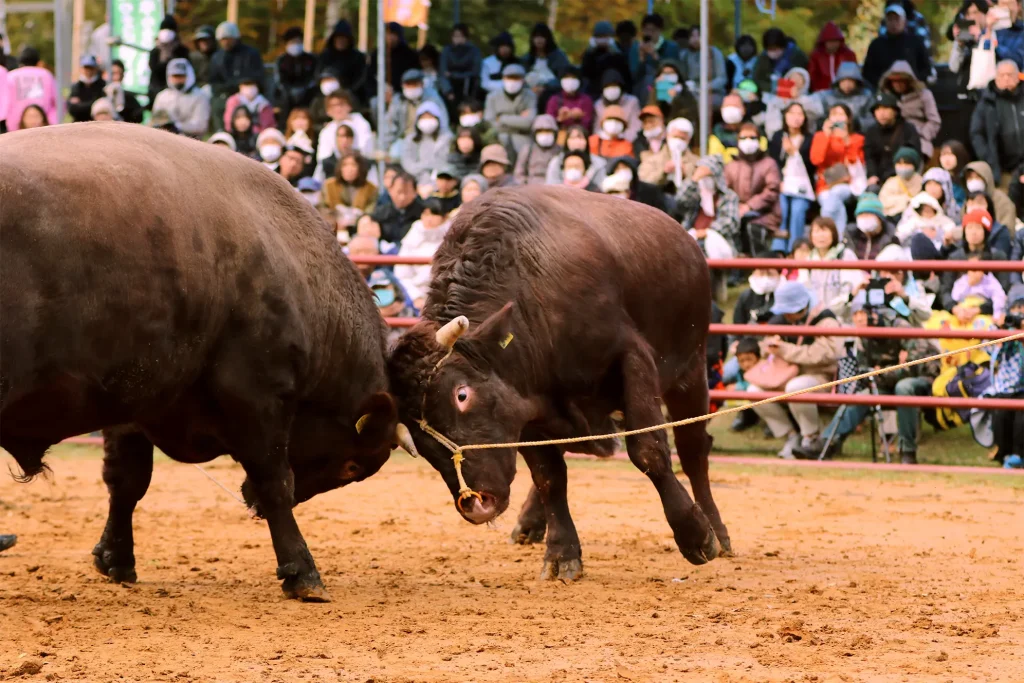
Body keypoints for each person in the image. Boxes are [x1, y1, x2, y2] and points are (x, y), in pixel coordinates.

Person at [794, 294, 941, 463]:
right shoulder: (863, 335)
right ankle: (827, 443)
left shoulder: (898, 325)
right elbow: (865, 371)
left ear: (874, 314)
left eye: (861, 313)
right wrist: (886, 371)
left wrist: (883, 371)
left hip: (922, 378)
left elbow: (914, 365)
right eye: (855, 314)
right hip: (888, 382)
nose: (857, 318)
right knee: (862, 396)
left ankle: (908, 451)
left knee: (904, 387)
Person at [747, 281, 842, 458]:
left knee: (796, 387)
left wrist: (784, 350)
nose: (785, 315)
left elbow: (826, 354)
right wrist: (767, 346)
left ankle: (811, 438)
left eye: (788, 310)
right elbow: (763, 349)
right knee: (753, 391)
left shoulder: (825, 319)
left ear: (801, 307)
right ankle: (790, 436)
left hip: (821, 376)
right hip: (782, 375)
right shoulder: (778, 320)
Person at [726, 122, 782, 255]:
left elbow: (772, 190)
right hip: (736, 213)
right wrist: (737, 207)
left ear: (759, 140)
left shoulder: (769, 163)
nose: (748, 141)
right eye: (743, 138)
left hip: (766, 213)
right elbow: (725, 192)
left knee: (752, 227)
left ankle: (761, 267)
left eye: (752, 138)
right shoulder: (731, 165)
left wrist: (749, 206)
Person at [940, 209, 1012, 313]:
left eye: (978, 228)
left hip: (988, 310)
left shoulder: (997, 256)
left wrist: (980, 309)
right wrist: (954, 308)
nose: (973, 232)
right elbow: (945, 289)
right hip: (959, 308)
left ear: (986, 231)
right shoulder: (955, 257)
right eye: (969, 227)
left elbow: (1003, 290)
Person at [769, 102, 817, 252]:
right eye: (792, 113)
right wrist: (778, 182)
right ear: (785, 116)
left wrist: (794, 152)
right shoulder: (778, 136)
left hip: (803, 186)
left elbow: (811, 164)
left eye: (799, 114)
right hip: (782, 184)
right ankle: (778, 249)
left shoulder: (810, 139)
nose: (796, 117)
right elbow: (773, 163)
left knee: (798, 209)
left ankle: (794, 249)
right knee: (781, 207)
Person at [810, 104, 866, 232]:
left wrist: (846, 141)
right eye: (834, 114)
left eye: (841, 114)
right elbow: (816, 160)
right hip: (825, 184)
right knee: (832, 200)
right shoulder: (820, 136)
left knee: (835, 194)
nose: (837, 118)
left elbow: (857, 163)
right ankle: (839, 238)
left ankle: (824, 231)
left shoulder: (857, 139)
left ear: (848, 119)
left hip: (848, 183)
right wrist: (826, 136)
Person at [971, 60, 1024, 186]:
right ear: (995, 78)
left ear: (1018, 77)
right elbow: (976, 133)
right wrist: (988, 158)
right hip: (1002, 170)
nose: (1006, 78)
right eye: (1002, 75)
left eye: (1010, 75)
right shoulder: (986, 102)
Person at [395, 198, 452, 310]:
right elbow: (402, 274)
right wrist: (416, 297)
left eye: (434, 214)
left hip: (445, 296)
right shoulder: (412, 237)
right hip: (414, 297)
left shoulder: (452, 239)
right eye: (425, 214)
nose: (429, 219)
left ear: (444, 217)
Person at [798, 216, 864, 312]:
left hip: (843, 317)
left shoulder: (845, 255)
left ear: (834, 234)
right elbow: (803, 290)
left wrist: (829, 311)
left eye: (825, 231)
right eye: (817, 231)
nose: (821, 235)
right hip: (815, 317)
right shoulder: (808, 260)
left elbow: (851, 290)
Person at [878, 61, 941, 159]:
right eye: (895, 81)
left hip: (918, 138)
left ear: (909, 81)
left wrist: (922, 134)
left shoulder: (923, 95)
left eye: (901, 81)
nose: (898, 84)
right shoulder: (885, 96)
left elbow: (934, 120)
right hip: (891, 138)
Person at [209, 22, 265, 131]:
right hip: (224, 93)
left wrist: (238, 86)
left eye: (227, 39)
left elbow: (255, 77)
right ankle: (221, 132)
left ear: (235, 38)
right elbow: (214, 81)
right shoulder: (217, 57)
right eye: (222, 39)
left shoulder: (250, 54)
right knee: (217, 104)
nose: (225, 42)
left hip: (247, 92)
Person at [677, 156, 741, 252]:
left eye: (709, 177)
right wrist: (694, 179)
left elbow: (729, 222)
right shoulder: (695, 194)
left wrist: (707, 232)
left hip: (717, 243)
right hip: (691, 240)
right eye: (702, 177)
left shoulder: (728, 196)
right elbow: (680, 200)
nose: (705, 180)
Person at [862, 4, 933, 88]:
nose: (893, 23)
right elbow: (868, 72)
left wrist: (915, 82)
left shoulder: (916, 42)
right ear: (885, 21)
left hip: (912, 90)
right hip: (884, 91)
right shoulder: (876, 45)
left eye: (897, 19)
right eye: (890, 19)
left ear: (905, 21)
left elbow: (926, 68)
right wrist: (882, 83)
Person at [384, 68, 449, 152]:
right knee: (395, 152)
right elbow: (389, 125)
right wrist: (385, 147)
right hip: (405, 139)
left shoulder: (433, 98)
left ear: (422, 84)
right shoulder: (398, 100)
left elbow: (444, 122)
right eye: (408, 84)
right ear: (403, 86)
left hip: (428, 138)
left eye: (414, 84)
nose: (411, 87)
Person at [864, 93, 921, 187]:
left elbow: (912, 156)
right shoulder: (871, 131)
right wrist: (872, 175)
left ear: (895, 111)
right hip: (878, 179)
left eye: (885, 108)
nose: (881, 113)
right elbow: (869, 157)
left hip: (903, 177)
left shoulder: (908, 129)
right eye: (877, 109)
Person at [484, 63, 537, 155]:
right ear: (503, 78)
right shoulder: (492, 96)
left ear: (523, 80)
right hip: (499, 137)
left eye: (516, 78)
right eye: (509, 78)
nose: (512, 81)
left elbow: (529, 122)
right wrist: (518, 120)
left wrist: (501, 118)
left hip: (523, 139)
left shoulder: (530, 96)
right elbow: (489, 122)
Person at [151, 58, 211, 139]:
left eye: (181, 76)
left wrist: (177, 126)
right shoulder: (162, 96)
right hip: (163, 138)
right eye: (175, 76)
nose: (178, 80)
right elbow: (155, 121)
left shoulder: (200, 96)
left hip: (191, 141)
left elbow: (201, 125)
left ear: (189, 75)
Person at [401, 101, 454, 188]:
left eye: (430, 117)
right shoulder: (411, 139)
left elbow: (446, 163)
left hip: (442, 182)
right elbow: (408, 163)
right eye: (424, 117)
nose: (427, 121)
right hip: (415, 182)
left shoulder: (447, 138)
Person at [323, 151, 378, 235]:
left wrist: (357, 219)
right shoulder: (329, 185)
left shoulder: (371, 188)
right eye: (345, 165)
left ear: (360, 168)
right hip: (333, 228)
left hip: (359, 229)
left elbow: (371, 211)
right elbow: (322, 208)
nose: (349, 169)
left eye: (353, 165)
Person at [316, 91, 373, 171]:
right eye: (333, 106)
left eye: (341, 104)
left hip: (360, 167)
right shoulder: (326, 131)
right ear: (328, 111)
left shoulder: (361, 122)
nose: (338, 108)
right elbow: (322, 157)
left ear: (349, 106)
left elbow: (366, 150)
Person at [4, 47, 57, 132]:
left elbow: (4, 104)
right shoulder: (46, 75)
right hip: (44, 128)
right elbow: (58, 102)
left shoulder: (11, 76)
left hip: (15, 130)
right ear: (38, 62)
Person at [629, 13, 681, 100]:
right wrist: (642, 59)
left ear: (660, 30)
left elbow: (674, 73)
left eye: (653, 30)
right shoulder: (635, 48)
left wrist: (655, 56)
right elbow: (633, 76)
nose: (649, 33)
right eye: (646, 30)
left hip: (665, 89)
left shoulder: (672, 48)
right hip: (642, 90)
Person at [763, 66, 823, 139]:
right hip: (781, 137)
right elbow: (771, 120)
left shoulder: (811, 98)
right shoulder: (775, 100)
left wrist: (798, 98)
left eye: (799, 79)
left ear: (805, 82)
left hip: (805, 138)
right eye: (793, 78)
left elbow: (818, 113)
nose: (795, 81)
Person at [815, 62, 875, 133]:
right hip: (831, 133)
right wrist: (836, 125)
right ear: (838, 81)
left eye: (850, 81)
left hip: (859, 134)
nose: (847, 84)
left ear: (856, 81)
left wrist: (856, 124)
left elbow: (873, 119)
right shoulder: (827, 97)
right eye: (844, 80)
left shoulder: (866, 96)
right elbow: (819, 120)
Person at [367, 22, 419, 100]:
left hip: (403, 93)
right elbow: (370, 76)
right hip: (381, 94)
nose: (390, 37)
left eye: (393, 34)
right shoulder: (377, 53)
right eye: (388, 34)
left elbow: (413, 75)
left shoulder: (409, 54)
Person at [678, 25, 727, 107]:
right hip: (692, 91)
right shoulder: (684, 55)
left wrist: (706, 87)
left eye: (699, 35)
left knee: (701, 102)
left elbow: (722, 78)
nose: (695, 39)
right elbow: (683, 77)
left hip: (713, 92)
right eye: (692, 36)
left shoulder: (714, 53)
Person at [371, 171, 425, 245]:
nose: (402, 197)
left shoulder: (424, 213)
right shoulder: (381, 213)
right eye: (399, 192)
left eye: (406, 192)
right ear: (390, 190)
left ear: (415, 192)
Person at [581, 21, 632, 99]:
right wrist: (590, 51)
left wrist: (614, 52)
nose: (602, 40)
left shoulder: (617, 51)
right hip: (595, 91)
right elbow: (585, 72)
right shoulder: (591, 53)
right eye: (599, 37)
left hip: (614, 90)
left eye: (605, 36)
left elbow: (625, 72)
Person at [752, 28, 809, 97]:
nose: (773, 52)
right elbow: (757, 78)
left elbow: (802, 77)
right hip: (771, 95)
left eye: (775, 48)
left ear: (783, 46)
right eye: (770, 49)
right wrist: (774, 88)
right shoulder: (763, 57)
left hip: (795, 93)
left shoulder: (797, 55)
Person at [147, 15, 190, 106]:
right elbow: (153, 68)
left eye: (169, 29)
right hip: (157, 90)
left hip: (178, 92)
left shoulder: (182, 50)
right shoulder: (155, 51)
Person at [318, 20, 367, 101]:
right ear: (333, 39)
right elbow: (318, 74)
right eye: (338, 38)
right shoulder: (325, 56)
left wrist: (347, 91)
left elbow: (361, 78)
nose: (341, 41)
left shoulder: (357, 57)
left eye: (344, 38)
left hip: (351, 95)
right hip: (325, 95)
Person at [708, 94, 765, 163]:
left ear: (743, 110)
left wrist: (728, 152)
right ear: (721, 109)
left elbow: (761, 154)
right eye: (727, 106)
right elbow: (715, 158)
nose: (731, 110)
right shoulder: (717, 131)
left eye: (735, 106)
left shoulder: (754, 129)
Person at [276, 27, 317, 121]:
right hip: (287, 95)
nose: (295, 45)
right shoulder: (281, 61)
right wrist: (291, 92)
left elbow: (314, 78)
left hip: (307, 94)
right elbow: (280, 81)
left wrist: (303, 89)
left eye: (298, 42)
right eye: (292, 42)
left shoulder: (311, 59)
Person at [964, 159, 1017, 228]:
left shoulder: (1002, 202)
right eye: (970, 178)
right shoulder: (968, 201)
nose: (974, 181)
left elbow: (1008, 229)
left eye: (978, 177)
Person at [522, 22, 570, 97]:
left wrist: (545, 87)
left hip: (552, 92)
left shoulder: (559, 57)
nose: (539, 40)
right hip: (530, 92)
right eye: (536, 37)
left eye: (542, 37)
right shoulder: (527, 58)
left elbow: (564, 77)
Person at [846, 193, 899, 260]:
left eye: (868, 214)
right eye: (861, 214)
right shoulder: (850, 237)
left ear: (879, 218)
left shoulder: (890, 238)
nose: (864, 218)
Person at [603, 156, 667, 211]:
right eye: (618, 168)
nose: (622, 171)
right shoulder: (607, 192)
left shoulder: (650, 190)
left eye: (625, 167)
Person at [808, 22, 858, 93]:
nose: (833, 44)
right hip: (822, 92)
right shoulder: (816, 56)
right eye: (830, 41)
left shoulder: (848, 55)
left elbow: (854, 74)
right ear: (824, 42)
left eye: (835, 41)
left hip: (844, 92)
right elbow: (812, 76)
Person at [439, 24, 481, 107]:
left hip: (468, 88)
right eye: (455, 36)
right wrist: (448, 91)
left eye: (460, 36)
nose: (457, 39)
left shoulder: (473, 51)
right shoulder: (447, 50)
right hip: (451, 89)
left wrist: (453, 75)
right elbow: (442, 73)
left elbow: (475, 72)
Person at [545, 65, 595, 135]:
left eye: (573, 78)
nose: (570, 81)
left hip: (580, 137)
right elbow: (548, 125)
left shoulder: (586, 100)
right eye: (567, 77)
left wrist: (578, 118)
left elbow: (588, 125)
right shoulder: (554, 100)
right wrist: (559, 119)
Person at [649, 60, 700, 127]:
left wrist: (675, 100)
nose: (668, 76)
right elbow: (651, 112)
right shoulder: (655, 93)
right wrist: (657, 90)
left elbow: (691, 115)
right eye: (665, 73)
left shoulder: (686, 94)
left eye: (671, 73)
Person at [595, 69, 641, 142]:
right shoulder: (598, 104)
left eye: (614, 86)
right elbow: (596, 130)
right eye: (608, 86)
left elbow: (636, 127)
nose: (611, 89)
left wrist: (621, 139)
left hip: (627, 142)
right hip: (604, 143)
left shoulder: (632, 102)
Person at [513, 114, 560, 185]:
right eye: (541, 131)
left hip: (554, 186)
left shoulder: (559, 150)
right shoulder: (528, 150)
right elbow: (518, 174)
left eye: (548, 131)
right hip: (530, 187)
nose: (545, 134)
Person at [879, 146, 924, 218]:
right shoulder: (891, 182)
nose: (903, 166)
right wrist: (905, 199)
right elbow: (883, 202)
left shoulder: (922, 182)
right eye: (899, 163)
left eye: (907, 163)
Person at [67, 55, 106, 123]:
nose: (88, 71)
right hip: (78, 124)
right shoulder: (76, 86)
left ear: (95, 69)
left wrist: (80, 105)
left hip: (97, 123)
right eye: (86, 68)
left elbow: (101, 107)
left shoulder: (102, 86)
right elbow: (72, 109)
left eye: (91, 68)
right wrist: (92, 103)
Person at [104, 60, 144, 124]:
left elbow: (139, 117)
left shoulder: (129, 98)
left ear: (123, 76)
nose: (116, 77)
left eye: (119, 73)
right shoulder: (100, 94)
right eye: (113, 73)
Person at [480, 32, 518, 97]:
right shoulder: (487, 63)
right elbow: (484, 83)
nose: (505, 49)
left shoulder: (517, 63)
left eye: (507, 46)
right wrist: (506, 85)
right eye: (502, 46)